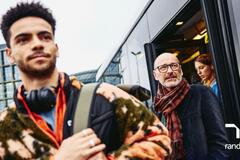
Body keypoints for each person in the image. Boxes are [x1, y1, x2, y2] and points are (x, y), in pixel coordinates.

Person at [0, 2, 171, 160]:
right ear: (9, 55)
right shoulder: (4, 126)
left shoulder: (105, 95)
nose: (37, 44)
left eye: (45, 37)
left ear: (56, 48)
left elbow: (160, 140)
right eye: (23, 39)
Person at [152, 52, 229, 160]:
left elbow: (220, 144)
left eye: (174, 66)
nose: (170, 71)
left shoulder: (201, 93)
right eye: (163, 68)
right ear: (155, 75)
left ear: (181, 71)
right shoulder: (157, 107)